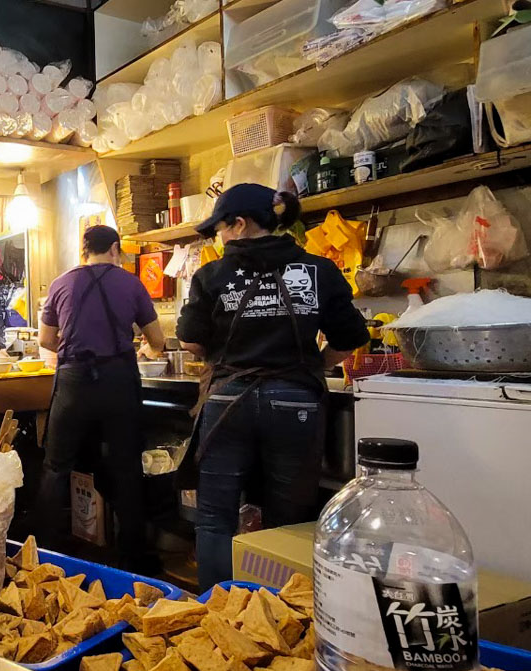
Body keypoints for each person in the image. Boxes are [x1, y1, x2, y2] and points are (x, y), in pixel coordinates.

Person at [175, 183, 369, 590]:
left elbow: (190, 340)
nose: (219, 237)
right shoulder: (318, 270)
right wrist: (313, 363)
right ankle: (284, 613)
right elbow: (351, 336)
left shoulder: (213, 274)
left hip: (228, 401)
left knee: (215, 517)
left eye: (220, 228)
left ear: (240, 224)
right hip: (294, 403)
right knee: (290, 519)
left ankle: (215, 610)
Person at [36, 225, 168, 574]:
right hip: (118, 381)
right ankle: (133, 558)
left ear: (84, 250)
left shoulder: (61, 283)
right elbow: (158, 341)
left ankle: (47, 554)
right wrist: (141, 346)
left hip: (74, 381)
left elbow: (47, 340)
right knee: (126, 468)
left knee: (55, 467)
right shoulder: (131, 283)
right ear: (114, 248)